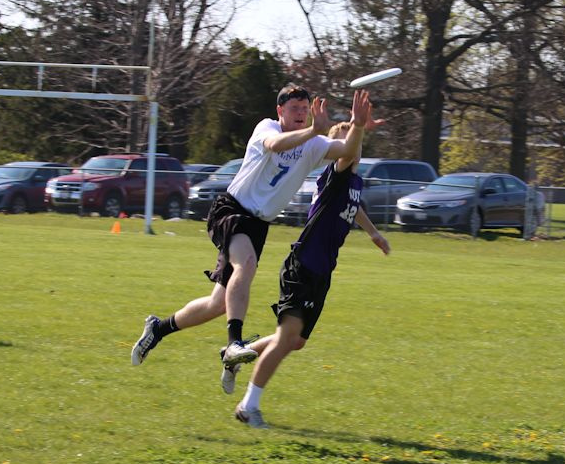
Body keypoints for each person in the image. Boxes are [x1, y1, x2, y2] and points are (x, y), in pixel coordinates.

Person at [130, 85, 373, 376]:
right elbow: (275, 145)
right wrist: (312, 131)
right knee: (245, 265)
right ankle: (233, 344)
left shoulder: (314, 144)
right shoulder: (267, 128)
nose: (300, 114)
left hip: (258, 225)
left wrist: (358, 125)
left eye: (304, 109)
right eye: (294, 109)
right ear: (280, 111)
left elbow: (347, 151)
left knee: (218, 304)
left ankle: (158, 328)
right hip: (232, 210)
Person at [233, 115, 389, 429]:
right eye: (345, 143)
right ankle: (248, 407)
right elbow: (345, 156)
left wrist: (373, 233)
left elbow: (355, 206)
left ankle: (237, 353)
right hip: (303, 265)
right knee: (286, 337)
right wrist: (357, 125)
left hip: (322, 270)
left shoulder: (353, 182)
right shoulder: (336, 174)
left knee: (296, 341)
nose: (352, 148)